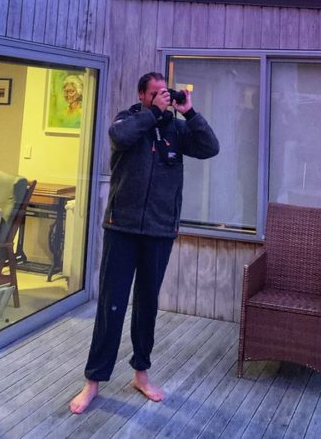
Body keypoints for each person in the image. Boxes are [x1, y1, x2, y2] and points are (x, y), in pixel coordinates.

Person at [70, 71, 219, 413]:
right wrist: (152, 113)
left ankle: (141, 374)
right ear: (141, 95)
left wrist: (190, 113)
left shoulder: (178, 131)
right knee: (111, 304)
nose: (161, 98)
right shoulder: (129, 120)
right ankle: (93, 380)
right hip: (121, 228)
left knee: (147, 305)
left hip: (159, 231)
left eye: (164, 93)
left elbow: (210, 148)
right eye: (154, 93)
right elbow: (120, 136)